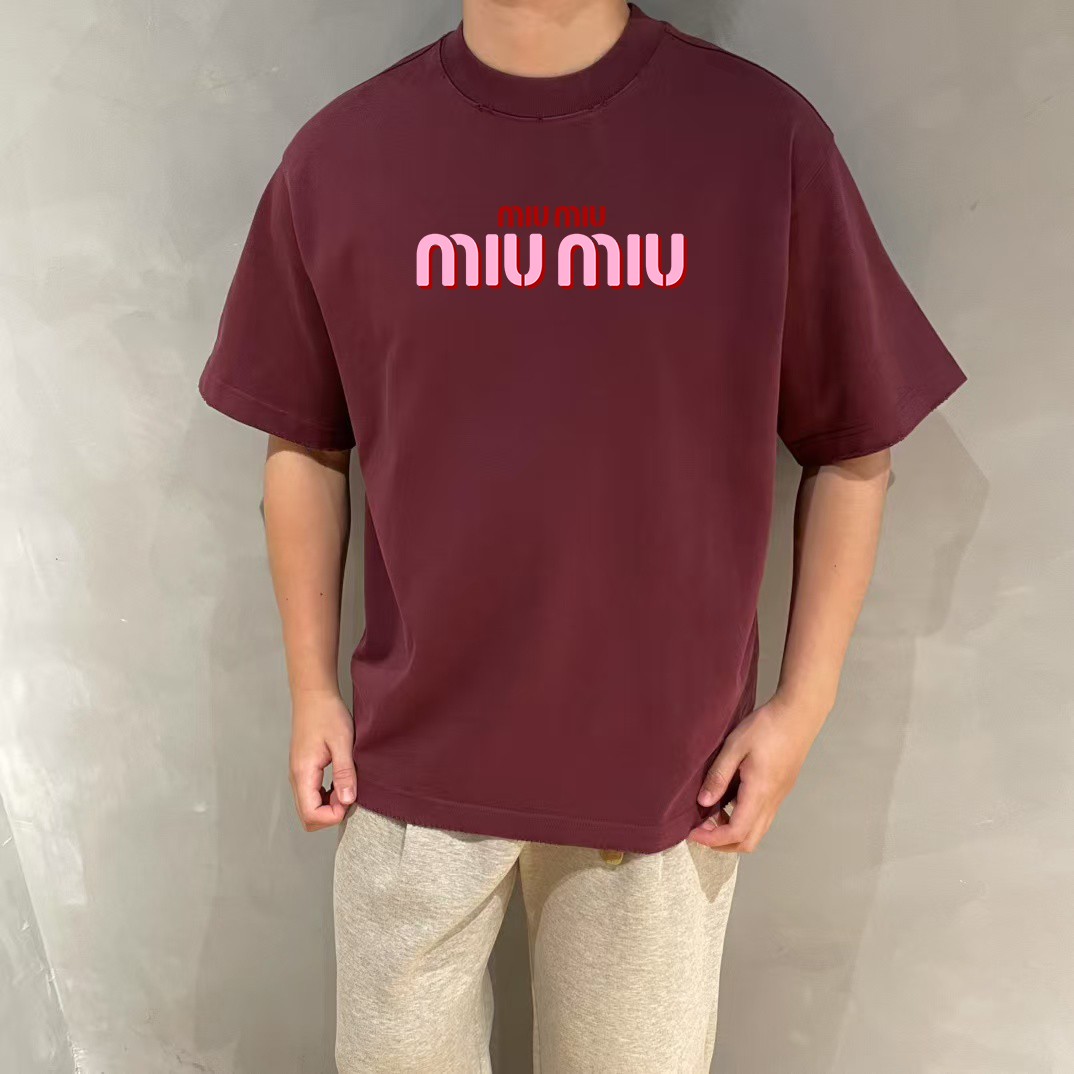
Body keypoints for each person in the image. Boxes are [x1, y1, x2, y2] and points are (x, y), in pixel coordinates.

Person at [197, 1, 967, 1070]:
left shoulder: (761, 143)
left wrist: (804, 706)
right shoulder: (343, 159)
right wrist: (311, 688)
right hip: (409, 763)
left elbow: (854, 444)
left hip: (663, 773)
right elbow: (303, 440)